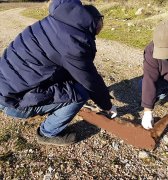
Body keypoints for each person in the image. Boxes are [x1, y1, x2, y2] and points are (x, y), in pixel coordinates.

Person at [0, 0, 117, 146]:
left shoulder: (56, 22)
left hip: (6, 85)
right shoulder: (73, 44)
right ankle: (47, 133)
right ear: (96, 22)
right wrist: (107, 105)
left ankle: (54, 107)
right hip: (13, 102)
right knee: (81, 93)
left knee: (71, 81)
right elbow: (90, 80)